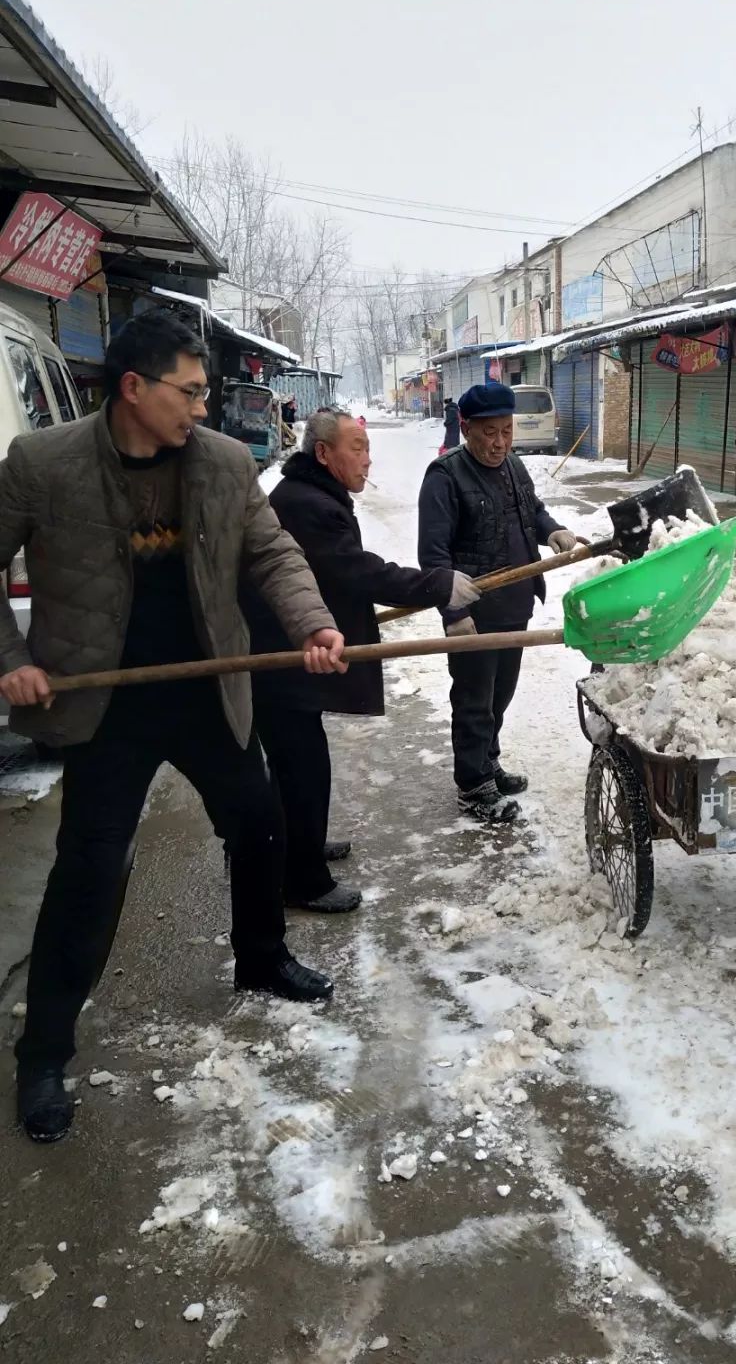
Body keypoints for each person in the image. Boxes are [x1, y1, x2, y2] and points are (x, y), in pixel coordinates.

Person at [0, 308, 348, 1144]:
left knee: (258, 823)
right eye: (188, 391)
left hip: (206, 688)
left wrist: (312, 625)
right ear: (134, 387)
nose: (200, 406)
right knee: (88, 872)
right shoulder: (43, 464)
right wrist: (10, 658)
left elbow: (270, 554)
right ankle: (43, 1053)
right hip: (103, 699)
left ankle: (262, 959)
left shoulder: (225, 464)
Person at [246, 410, 479, 909]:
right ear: (324, 453)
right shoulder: (305, 504)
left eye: (369, 447)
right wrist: (435, 584)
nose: (367, 459)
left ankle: (300, 847)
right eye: (357, 447)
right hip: (280, 657)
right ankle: (300, 880)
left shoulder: (312, 495)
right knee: (300, 768)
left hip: (290, 651)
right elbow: (353, 571)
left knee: (299, 763)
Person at [417, 382, 579, 823]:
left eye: (506, 431)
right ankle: (473, 786)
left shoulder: (513, 467)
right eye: (490, 433)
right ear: (466, 428)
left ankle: (488, 763)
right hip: (475, 614)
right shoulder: (445, 476)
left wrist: (553, 530)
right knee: (473, 698)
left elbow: (533, 510)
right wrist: (454, 615)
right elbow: (433, 557)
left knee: (499, 696)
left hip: (514, 606)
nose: (500, 443)